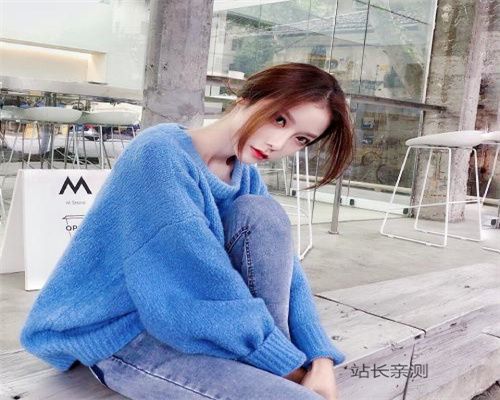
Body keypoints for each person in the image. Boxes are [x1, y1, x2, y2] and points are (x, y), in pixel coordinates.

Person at [20, 62, 354, 399]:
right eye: (279, 119)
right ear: (246, 99)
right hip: (119, 331)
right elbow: (196, 287)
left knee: (264, 214)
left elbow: (289, 272)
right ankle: (266, 359)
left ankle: (263, 356)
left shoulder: (245, 176)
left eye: (300, 139)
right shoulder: (160, 154)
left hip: (186, 325)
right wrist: (291, 370)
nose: (278, 143)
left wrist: (320, 358)